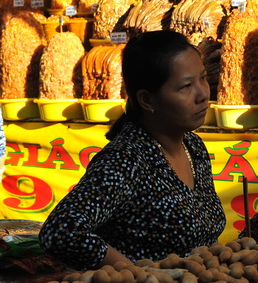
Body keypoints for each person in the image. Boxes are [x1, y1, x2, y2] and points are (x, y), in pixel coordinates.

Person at [39, 31, 225, 270]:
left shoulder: (193, 147)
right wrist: (134, 274)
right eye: (186, 86)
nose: (202, 94)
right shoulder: (126, 160)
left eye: (203, 78)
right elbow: (61, 232)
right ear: (147, 100)